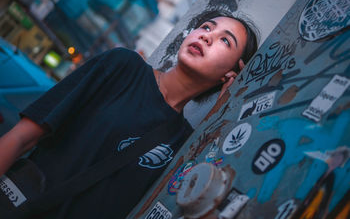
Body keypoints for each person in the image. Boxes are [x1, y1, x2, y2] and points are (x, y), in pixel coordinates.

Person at [0, 12, 258, 218]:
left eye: (226, 40)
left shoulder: (186, 145)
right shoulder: (122, 66)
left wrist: (225, 110)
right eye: (206, 27)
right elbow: (22, 137)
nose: (207, 36)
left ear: (229, 75)